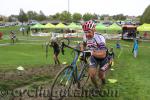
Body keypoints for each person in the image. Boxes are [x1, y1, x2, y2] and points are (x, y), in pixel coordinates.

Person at [80, 20, 110, 87]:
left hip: (104, 59)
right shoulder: (85, 36)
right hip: (94, 57)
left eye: (89, 32)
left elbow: (103, 54)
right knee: (92, 75)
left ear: (94, 30)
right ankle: (96, 87)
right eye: (85, 32)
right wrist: (82, 51)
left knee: (100, 75)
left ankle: (103, 81)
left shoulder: (100, 38)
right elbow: (83, 44)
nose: (87, 34)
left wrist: (91, 53)